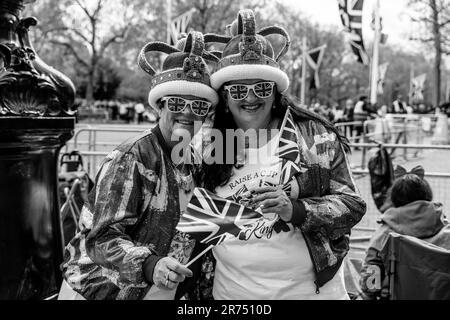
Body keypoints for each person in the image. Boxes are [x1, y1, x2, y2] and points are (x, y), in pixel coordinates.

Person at [191, 9, 366, 300]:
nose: (250, 98)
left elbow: (353, 205)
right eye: (238, 90)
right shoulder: (206, 145)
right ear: (224, 96)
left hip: (312, 293)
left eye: (261, 87)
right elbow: (192, 223)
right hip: (233, 294)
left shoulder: (314, 136)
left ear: (275, 92)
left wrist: (295, 210)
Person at [58, 31, 219, 300]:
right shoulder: (133, 155)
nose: (188, 113)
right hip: (99, 291)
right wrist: (150, 265)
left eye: (199, 105)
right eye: (177, 102)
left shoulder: (194, 162)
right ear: (159, 105)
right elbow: (101, 239)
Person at [359, 165, 450, 299]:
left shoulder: (385, 233)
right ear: (427, 195)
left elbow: (372, 274)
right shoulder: (446, 229)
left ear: (394, 198)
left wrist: (368, 294)